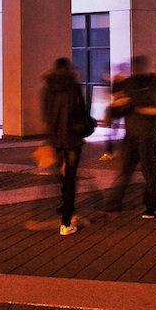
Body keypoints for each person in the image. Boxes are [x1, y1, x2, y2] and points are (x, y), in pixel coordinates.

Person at [104, 55, 156, 218]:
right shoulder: (150, 84)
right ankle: (149, 206)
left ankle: (115, 204)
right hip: (145, 135)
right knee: (148, 172)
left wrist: (122, 106)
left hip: (135, 135)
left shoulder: (130, 85)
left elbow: (117, 110)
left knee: (129, 171)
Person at [41, 57, 90, 235]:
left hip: (56, 139)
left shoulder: (48, 88)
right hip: (72, 139)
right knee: (70, 178)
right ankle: (66, 222)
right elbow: (82, 111)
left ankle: (65, 207)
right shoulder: (73, 87)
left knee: (62, 175)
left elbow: (45, 116)